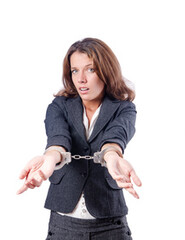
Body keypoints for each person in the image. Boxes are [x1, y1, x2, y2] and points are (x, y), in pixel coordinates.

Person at [17, 38, 141, 239]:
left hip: (109, 224)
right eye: (75, 70)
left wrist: (112, 156)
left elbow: (116, 136)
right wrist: (48, 160)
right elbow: (58, 138)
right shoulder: (59, 106)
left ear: (106, 70)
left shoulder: (124, 108)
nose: (81, 79)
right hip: (63, 224)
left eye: (90, 70)